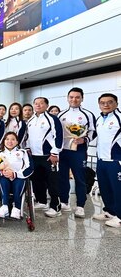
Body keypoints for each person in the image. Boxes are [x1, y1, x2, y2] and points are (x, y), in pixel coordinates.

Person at [57, 88, 96, 218]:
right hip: (63, 151)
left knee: (80, 178)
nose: (74, 99)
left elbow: (92, 131)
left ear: (82, 98)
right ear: (67, 98)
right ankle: (64, 202)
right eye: (71, 97)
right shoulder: (61, 114)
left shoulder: (88, 114)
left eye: (77, 97)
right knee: (63, 177)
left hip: (79, 151)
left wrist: (84, 139)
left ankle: (80, 206)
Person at [26, 97, 63, 217]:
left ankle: (55, 207)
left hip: (49, 156)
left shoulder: (52, 119)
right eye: (36, 103)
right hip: (35, 156)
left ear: (47, 105)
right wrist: (27, 149)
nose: (38, 105)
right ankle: (41, 201)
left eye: (41, 103)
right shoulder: (30, 120)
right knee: (37, 180)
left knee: (53, 182)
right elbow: (28, 137)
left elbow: (59, 136)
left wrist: (55, 153)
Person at [92, 93, 121, 228]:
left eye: (110, 102)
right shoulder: (99, 119)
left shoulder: (119, 117)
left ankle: (120, 217)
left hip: (116, 160)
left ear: (116, 103)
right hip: (101, 159)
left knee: (118, 189)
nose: (106, 105)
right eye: (102, 102)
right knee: (105, 187)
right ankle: (110, 211)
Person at [0, 132, 34, 219]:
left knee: (19, 182)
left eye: (13, 139)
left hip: (19, 177)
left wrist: (15, 174)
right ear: (4, 141)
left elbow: (30, 168)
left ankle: (17, 208)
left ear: (17, 142)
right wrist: (2, 172)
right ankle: (5, 206)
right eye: (7, 139)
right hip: (4, 177)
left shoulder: (23, 153)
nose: (10, 141)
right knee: (3, 180)